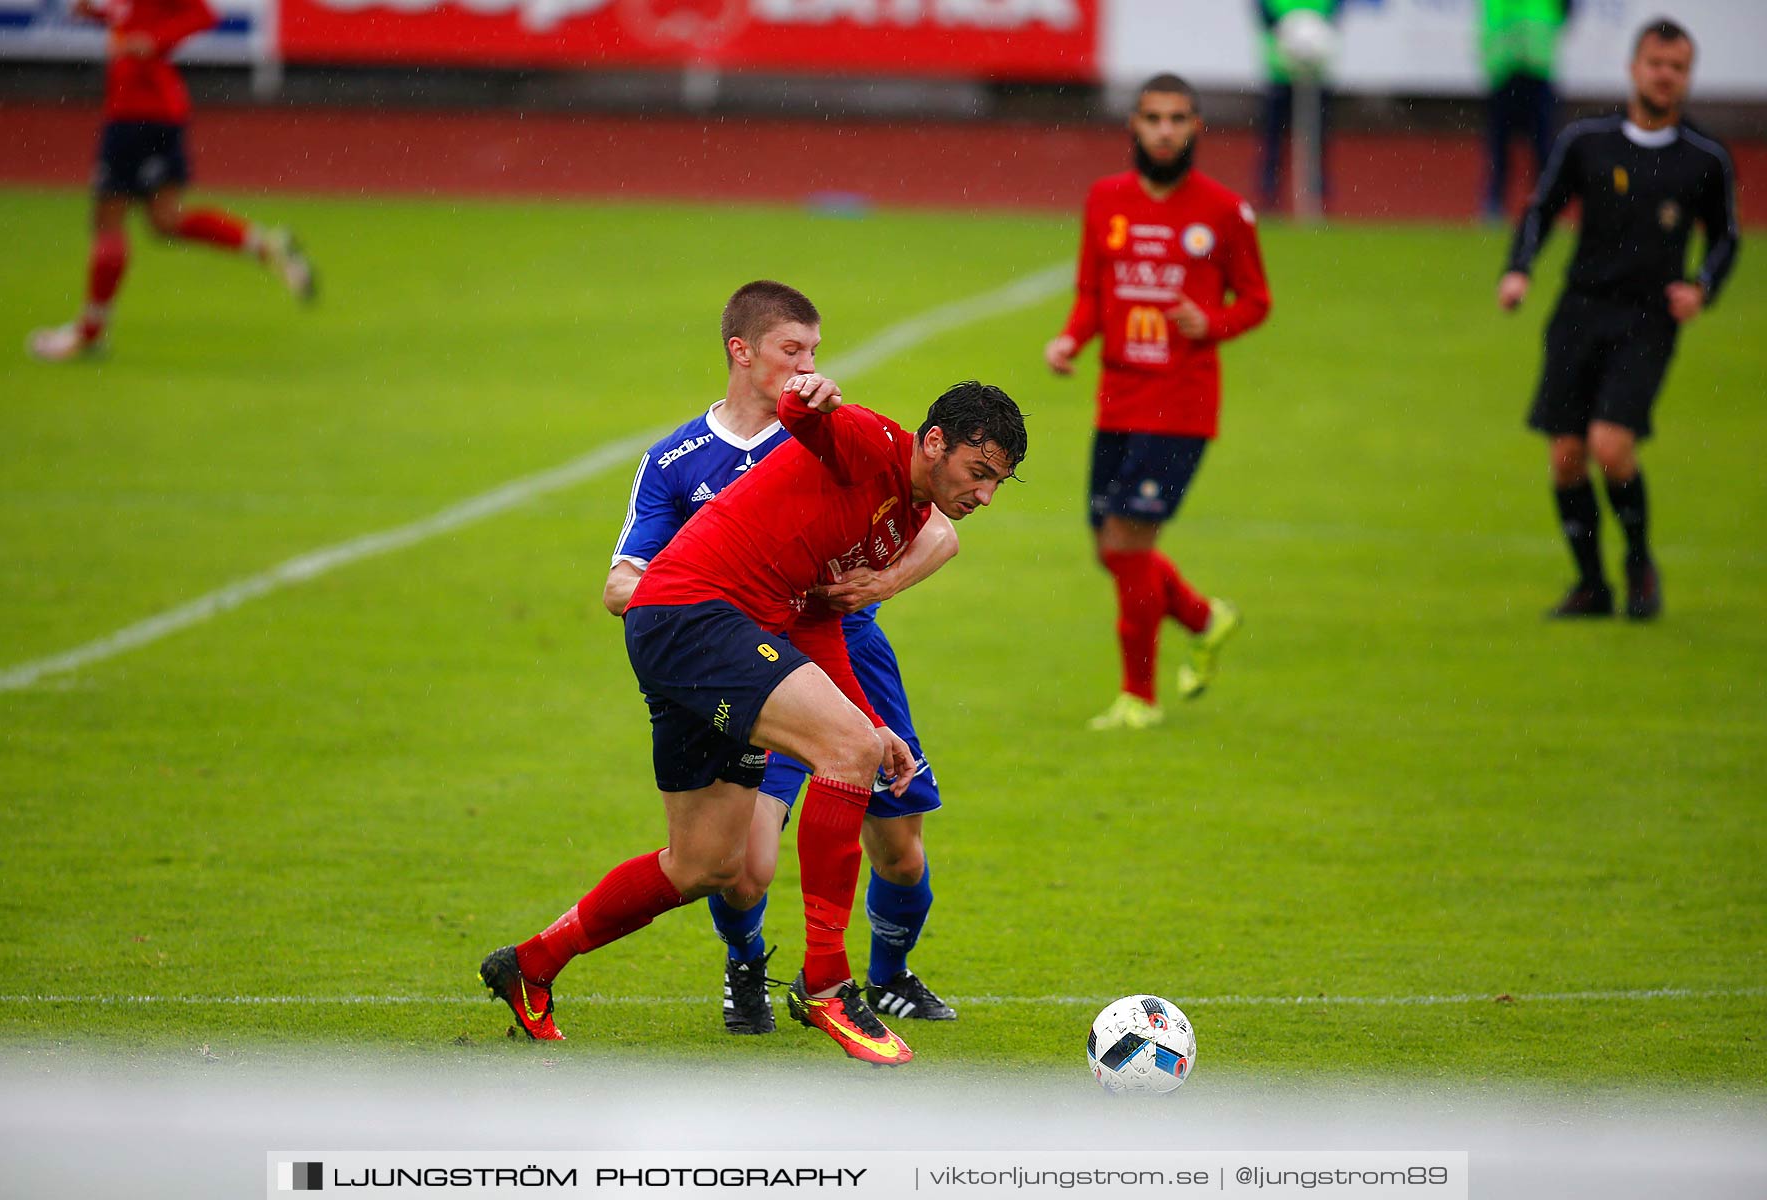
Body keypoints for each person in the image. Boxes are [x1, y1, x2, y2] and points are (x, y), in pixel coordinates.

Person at [482, 370, 1026, 1065]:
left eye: (995, 484)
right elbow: (803, 418)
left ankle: (530, 965)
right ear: (935, 442)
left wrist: (867, 719)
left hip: (689, 632)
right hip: (698, 616)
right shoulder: (871, 441)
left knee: (707, 864)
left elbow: (820, 618)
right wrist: (806, 392)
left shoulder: (907, 523)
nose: (981, 495)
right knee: (845, 755)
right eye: (977, 472)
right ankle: (827, 981)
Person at [602, 281, 963, 1037]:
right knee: (744, 866)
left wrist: (883, 579)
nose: (806, 364)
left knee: (900, 846)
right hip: (748, 655)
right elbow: (622, 579)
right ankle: (755, 967)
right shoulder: (677, 460)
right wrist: (686, 615)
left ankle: (888, 977)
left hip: (848, 648)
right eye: (790, 350)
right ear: (743, 352)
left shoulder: (824, 429)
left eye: (813, 352)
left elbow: (938, 524)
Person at [1046, 73, 1272, 731]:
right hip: (1117, 400)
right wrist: (1069, 340)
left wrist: (1214, 324)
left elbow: (1256, 300)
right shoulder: (1105, 200)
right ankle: (1206, 618)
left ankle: (1138, 698)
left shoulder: (1225, 211)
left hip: (1181, 406)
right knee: (1111, 549)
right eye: (1153, 118)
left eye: (1178, 118)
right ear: (1134, 127)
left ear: (1197, 127)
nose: (1165, 130)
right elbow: (1092, 292)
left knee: (1127, 541)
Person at [1498, 18, 1738, 620]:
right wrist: (1520, 268)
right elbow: (1542, 208)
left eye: (1678, 68)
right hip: (1580, 311)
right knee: (1565, 457)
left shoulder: (1704, 159)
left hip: (1647, 319)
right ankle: (1590, 586)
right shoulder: (1588, 141)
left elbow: (1726, 238)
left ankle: (1637, 564)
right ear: (1634, 68)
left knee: (1610, 445)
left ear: (1687, 77)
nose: (1666, 76)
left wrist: (1702, 287)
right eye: (1656, 64)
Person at [27, 0, 314, 362]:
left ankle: (90, 333)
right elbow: (129, 20)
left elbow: (201, 14)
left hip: (137, 113)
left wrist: (156, 40)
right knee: (165, 220)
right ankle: (266, 245)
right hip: (153, 110)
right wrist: (97, 16)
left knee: (109, 221)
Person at [1482, 0, 1574, 221]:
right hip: (1505, 72)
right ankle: (1494, 204)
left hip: (1537, 70)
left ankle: (1545, 204)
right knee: (1499, 146)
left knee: (1543, 146)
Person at [1256, 0, 1340, 214]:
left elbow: (1333, 15)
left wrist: (1313, 39)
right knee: (1274, 137)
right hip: (1280, 71)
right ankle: (1269, 194)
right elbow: (1266, 16)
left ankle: (1318, 195)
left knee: (1317, 136)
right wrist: (1290, 35)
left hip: (1315, 73)